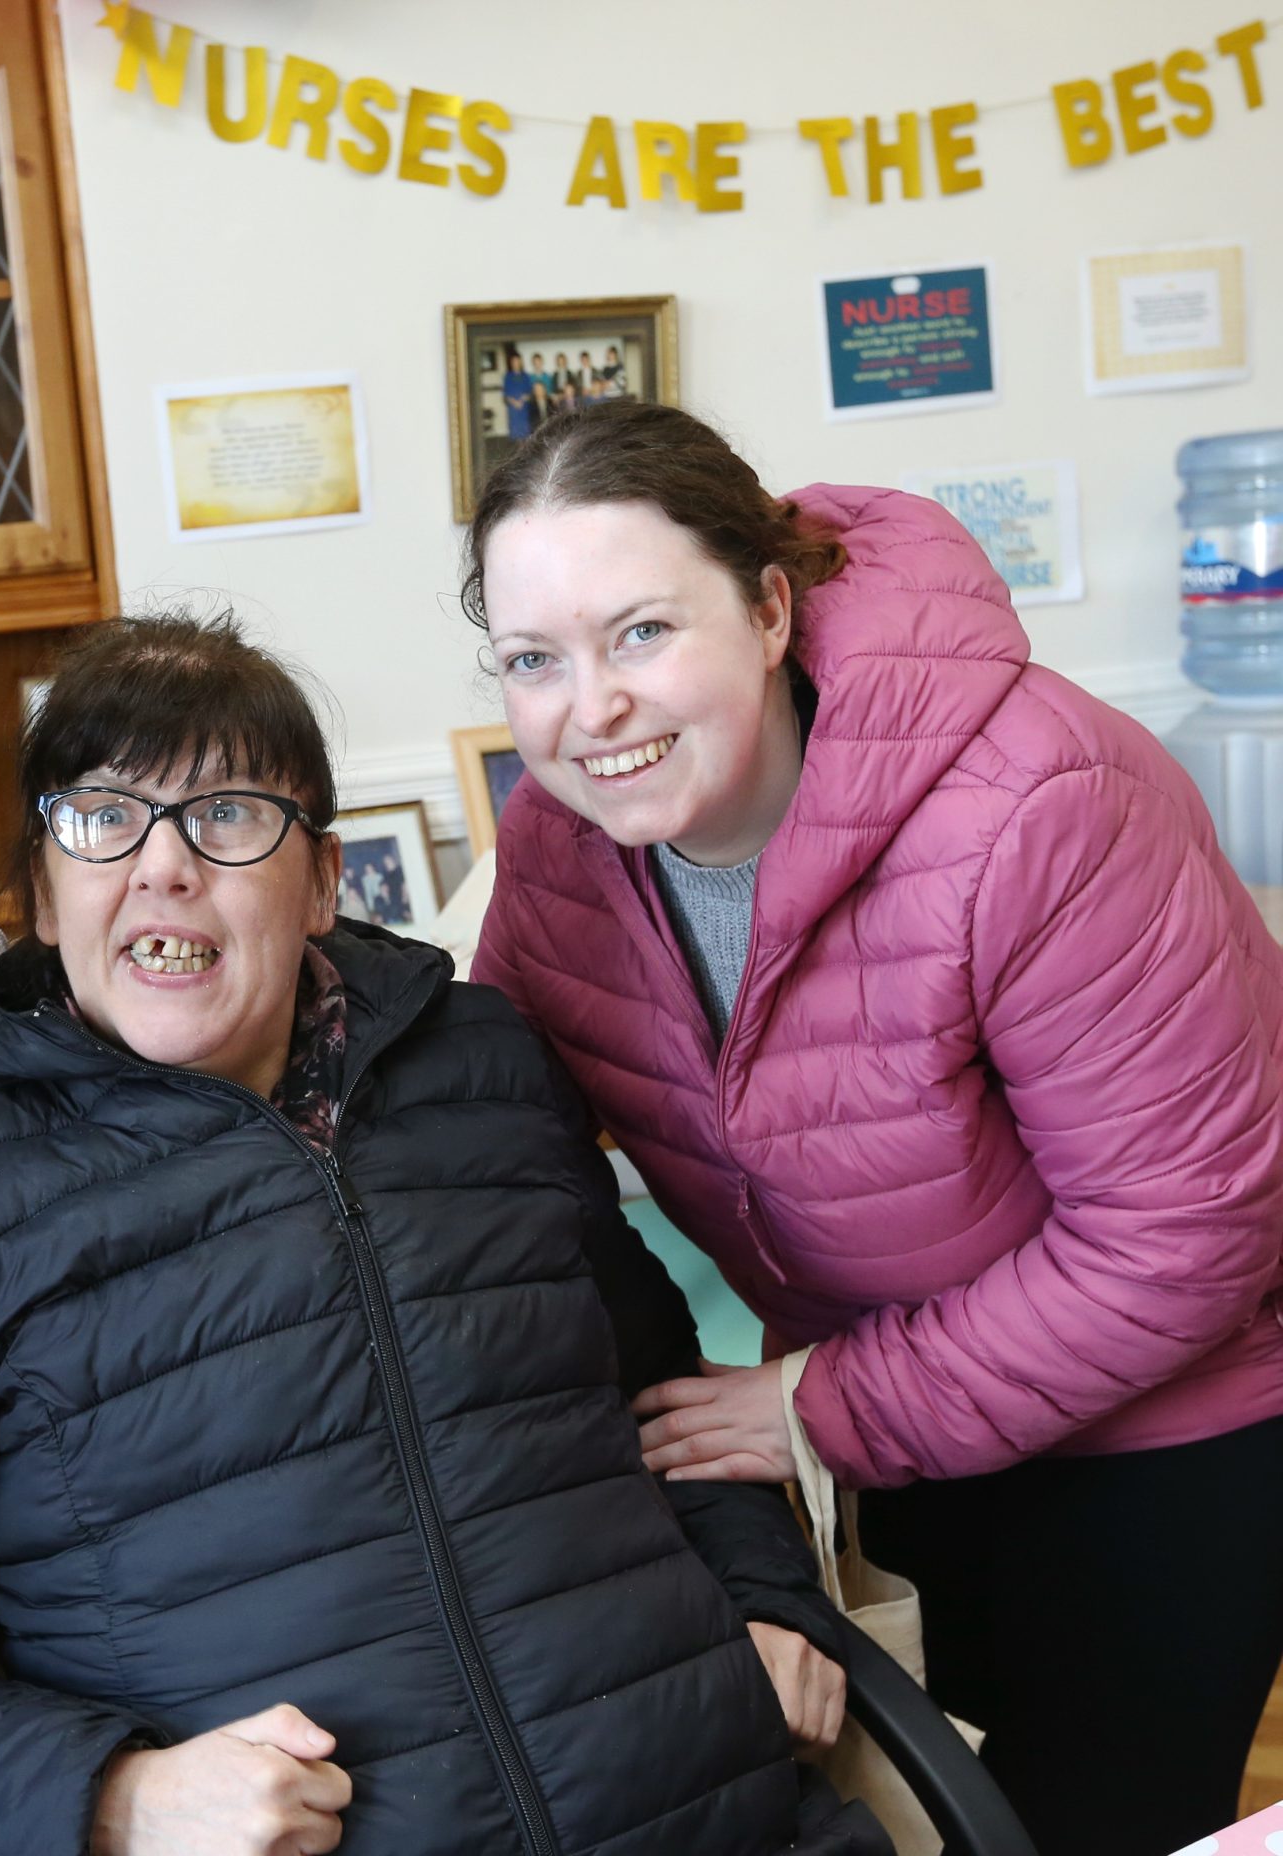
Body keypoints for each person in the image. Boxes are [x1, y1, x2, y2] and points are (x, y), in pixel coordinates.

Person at [0, 611, 885, 1856]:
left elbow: (663, 1400)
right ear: (47, 896)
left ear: (325, 879)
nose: (163, 866)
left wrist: (769, 1609)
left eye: (227, 814)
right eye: (102, 818)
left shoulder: (484, 1069)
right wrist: (113, 1799)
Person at [462, 399, 1283, 1856]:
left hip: (1165, 1448)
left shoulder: (1042, 803)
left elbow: (1186, 1238)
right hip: (893, 1438)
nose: (591, 709)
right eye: (536, 661)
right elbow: (495, 1140)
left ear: (772, 606)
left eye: (643, 633)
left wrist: (814, 1408)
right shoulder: (561, 846)